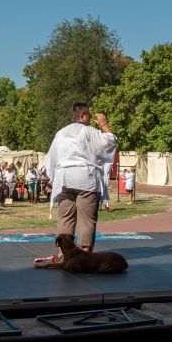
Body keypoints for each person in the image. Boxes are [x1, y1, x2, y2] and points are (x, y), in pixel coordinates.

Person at [45, 103, 117, 257]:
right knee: (87, 219)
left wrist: (53, 177)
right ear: (82, 116)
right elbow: (110, 142)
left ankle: (63, 255)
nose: (91, 118)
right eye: (89, 115)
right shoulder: (89, 131)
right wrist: (104, 125)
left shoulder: (61, 133)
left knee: (65, 217)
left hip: (64, 178)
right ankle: (86, 255)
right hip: (86, 178)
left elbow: (51, 158)